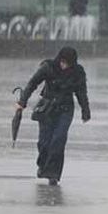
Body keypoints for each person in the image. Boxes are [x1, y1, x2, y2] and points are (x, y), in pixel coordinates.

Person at [15, 47, 91, 186]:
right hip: (47, 108)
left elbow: (81, 93)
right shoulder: (48, 67)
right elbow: (33, 84)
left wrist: (85, 111)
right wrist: (22, 102)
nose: (64, 65)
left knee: (59, 140)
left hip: (65, 109)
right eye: (62, 62)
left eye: (67, 63)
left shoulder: (78, 73)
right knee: (44, 142)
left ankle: (53, 174)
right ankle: (43, 166)